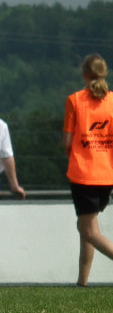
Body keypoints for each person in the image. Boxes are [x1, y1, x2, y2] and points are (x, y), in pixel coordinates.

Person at [63, 54, 113, 287]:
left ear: (84, 74)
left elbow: (66, 142)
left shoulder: (75, 100)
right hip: (107, 173)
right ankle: (82, 282)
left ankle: (82, 282)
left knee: (88, 230)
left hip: (83, 173)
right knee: (87, 226)